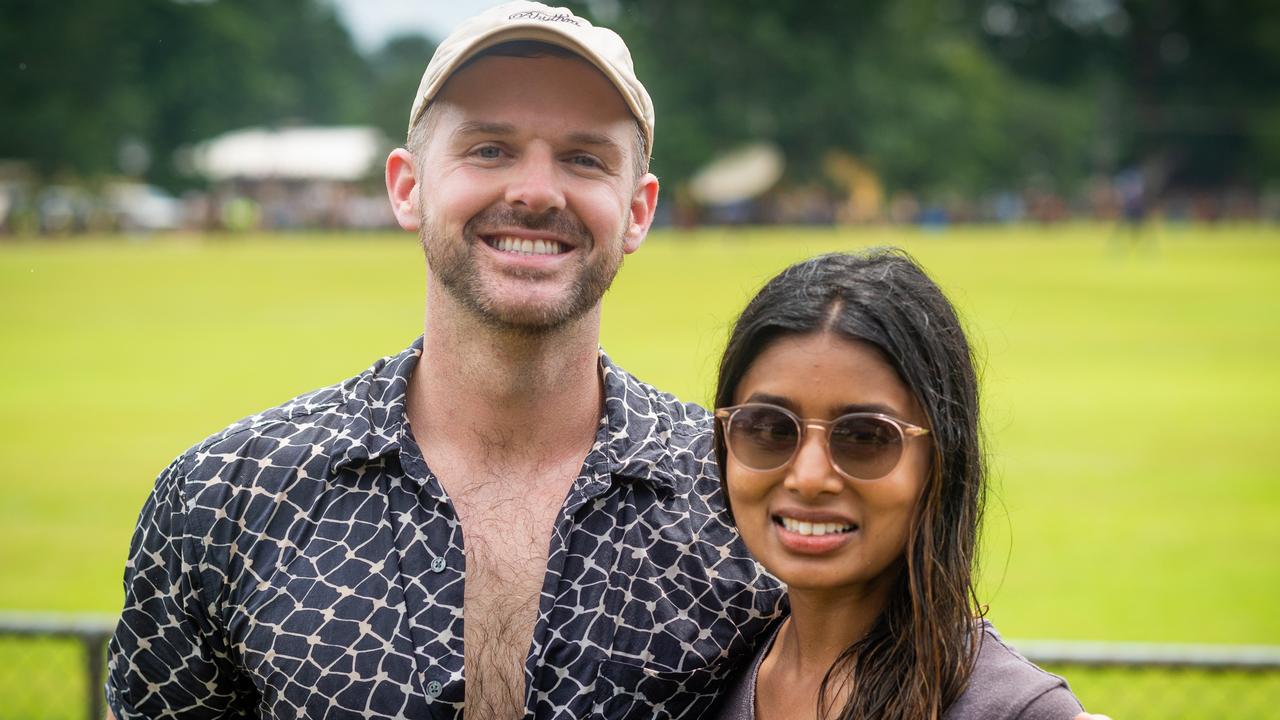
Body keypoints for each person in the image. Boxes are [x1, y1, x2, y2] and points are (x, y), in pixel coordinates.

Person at [104, 3, 1112, 719]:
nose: (535, 190)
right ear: (408, 186)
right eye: (489, 149)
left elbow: (932, 664)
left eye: (584, 157)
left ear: (638, 210)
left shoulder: (738, 491)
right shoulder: (227, 501)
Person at [708, 250, 1085, 719]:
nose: (808, 477)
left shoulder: (1013, 711)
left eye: (865, 436)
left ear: (941, 458)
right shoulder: (698, 673)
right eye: (769, 429)